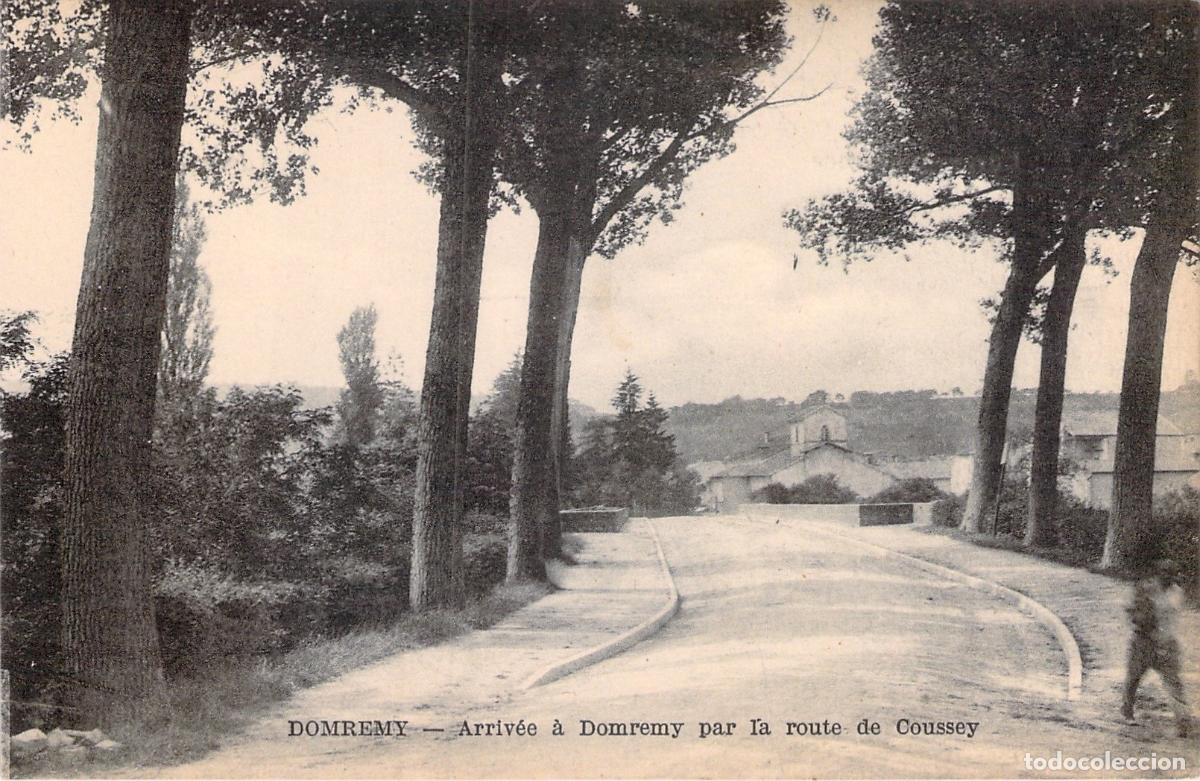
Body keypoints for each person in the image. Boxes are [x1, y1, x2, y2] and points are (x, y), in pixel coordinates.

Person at [1121, 559, 1193, 738]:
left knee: (1173, 681)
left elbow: (1173, 618)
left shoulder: (1177, 592)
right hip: (1143, 641)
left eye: (1171, 573)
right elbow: (1133, 612)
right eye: (1164, 573)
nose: (1168, 576)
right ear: (1158, 573)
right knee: (1134, 677)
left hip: (1167, 642)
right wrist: (1140, 619)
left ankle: (1182, 720)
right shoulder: (1146, 589)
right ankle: (1127, 709)